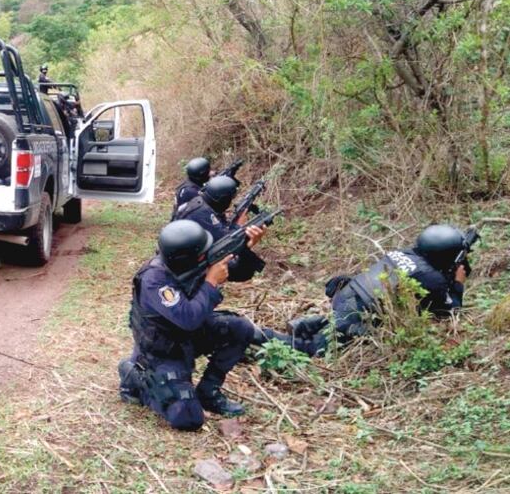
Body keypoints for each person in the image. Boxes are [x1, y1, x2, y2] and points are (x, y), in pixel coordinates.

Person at [118, 220, 267, 430]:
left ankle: (208, 392)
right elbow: (188, 318)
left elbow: (238, 272)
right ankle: (135, 376)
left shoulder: (191, 261)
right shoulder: (154, 279)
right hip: (162, 351)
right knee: (187, 417)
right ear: (188, 257)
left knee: (239, 327)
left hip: (187, 338)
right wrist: (211, 283)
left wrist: (246, 249)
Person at [263, 224, 472, 356]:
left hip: (346, 296)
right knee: (312, 348)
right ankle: (259, 336)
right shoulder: (432, 278)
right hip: (356, 313)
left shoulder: (404, 253)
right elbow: (448, 311)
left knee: (352, 321)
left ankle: (313, 323)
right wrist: (458, 283)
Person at [176, 175, 268, 280]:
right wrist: (238, 225)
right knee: (236, 267)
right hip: (187, 266)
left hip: (184, 256)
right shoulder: (204, 215)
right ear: (222, 200)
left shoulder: (200, 203)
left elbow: (222, 229)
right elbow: (226, 241)